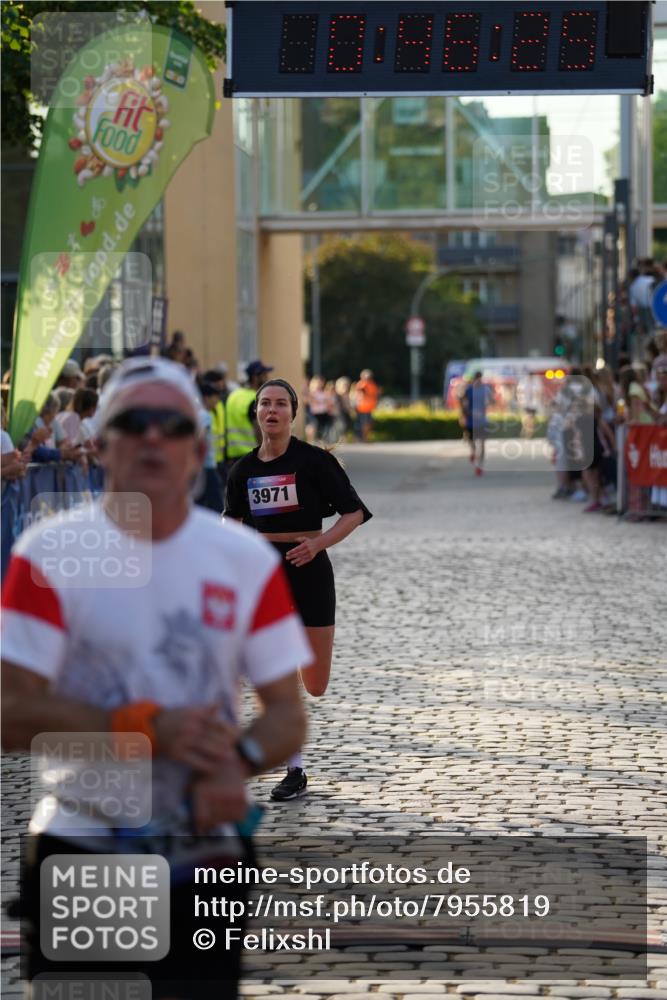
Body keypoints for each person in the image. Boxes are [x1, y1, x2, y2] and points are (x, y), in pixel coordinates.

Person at [1, 357, 310, 1000]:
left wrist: (240, 761)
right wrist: (138, 728)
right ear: (101, 442)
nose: (150, 437)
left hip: (204, 852)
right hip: (86, 839)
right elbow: (9, 709)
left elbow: (288, 713)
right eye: (131, 422)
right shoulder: (50, 552)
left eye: (169, 425)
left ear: (198, 449)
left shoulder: (244, 558)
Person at [224, 378, 372, 801]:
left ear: (293, 414)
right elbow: (230, 521)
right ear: (256, 413)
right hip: (264, 574)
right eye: (264, 404)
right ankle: (295, 768)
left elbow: (354, 513)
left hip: (309, 568)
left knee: (316, 684)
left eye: (280, 405)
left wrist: (317, 544)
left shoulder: (313, 462)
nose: (271, 411)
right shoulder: (243, 470)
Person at [224, 359, 273, 466]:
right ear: (255, 377)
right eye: (264, 375)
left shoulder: (233, 396)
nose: (267, 379)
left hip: (233, 458)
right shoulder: (254, 399)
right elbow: (258, 429)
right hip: (251, 457)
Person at [196, 377, 225, 513]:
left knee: (202, 502)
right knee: (217, 504)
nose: (217, 400)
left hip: (203, 466)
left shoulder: (197, 413)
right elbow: (199, 438)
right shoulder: (205, 415)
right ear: (206, 397)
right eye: (215, 397)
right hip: (207, 466)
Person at [461, 371, 491, 475]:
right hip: (471, 421)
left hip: (482, 421)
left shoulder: (485, 390)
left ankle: (479, 466)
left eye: (480, 378)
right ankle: (473, 452)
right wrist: (466, 414)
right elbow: (464, 403)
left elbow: (490, 401)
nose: (478, 380)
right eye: (476, 378)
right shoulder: (469, 390)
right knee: (472, 442)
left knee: (482, 444)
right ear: (474, 379)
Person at [355, 368, 380, 442]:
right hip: (362, 408)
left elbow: (375, 394)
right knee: (364, 424)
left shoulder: (372, 384)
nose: (368, 377)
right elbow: (359, 393)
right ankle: (363, 438)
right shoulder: (362, 384)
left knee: (369, 424)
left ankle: (365, 437)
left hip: (369, 407)